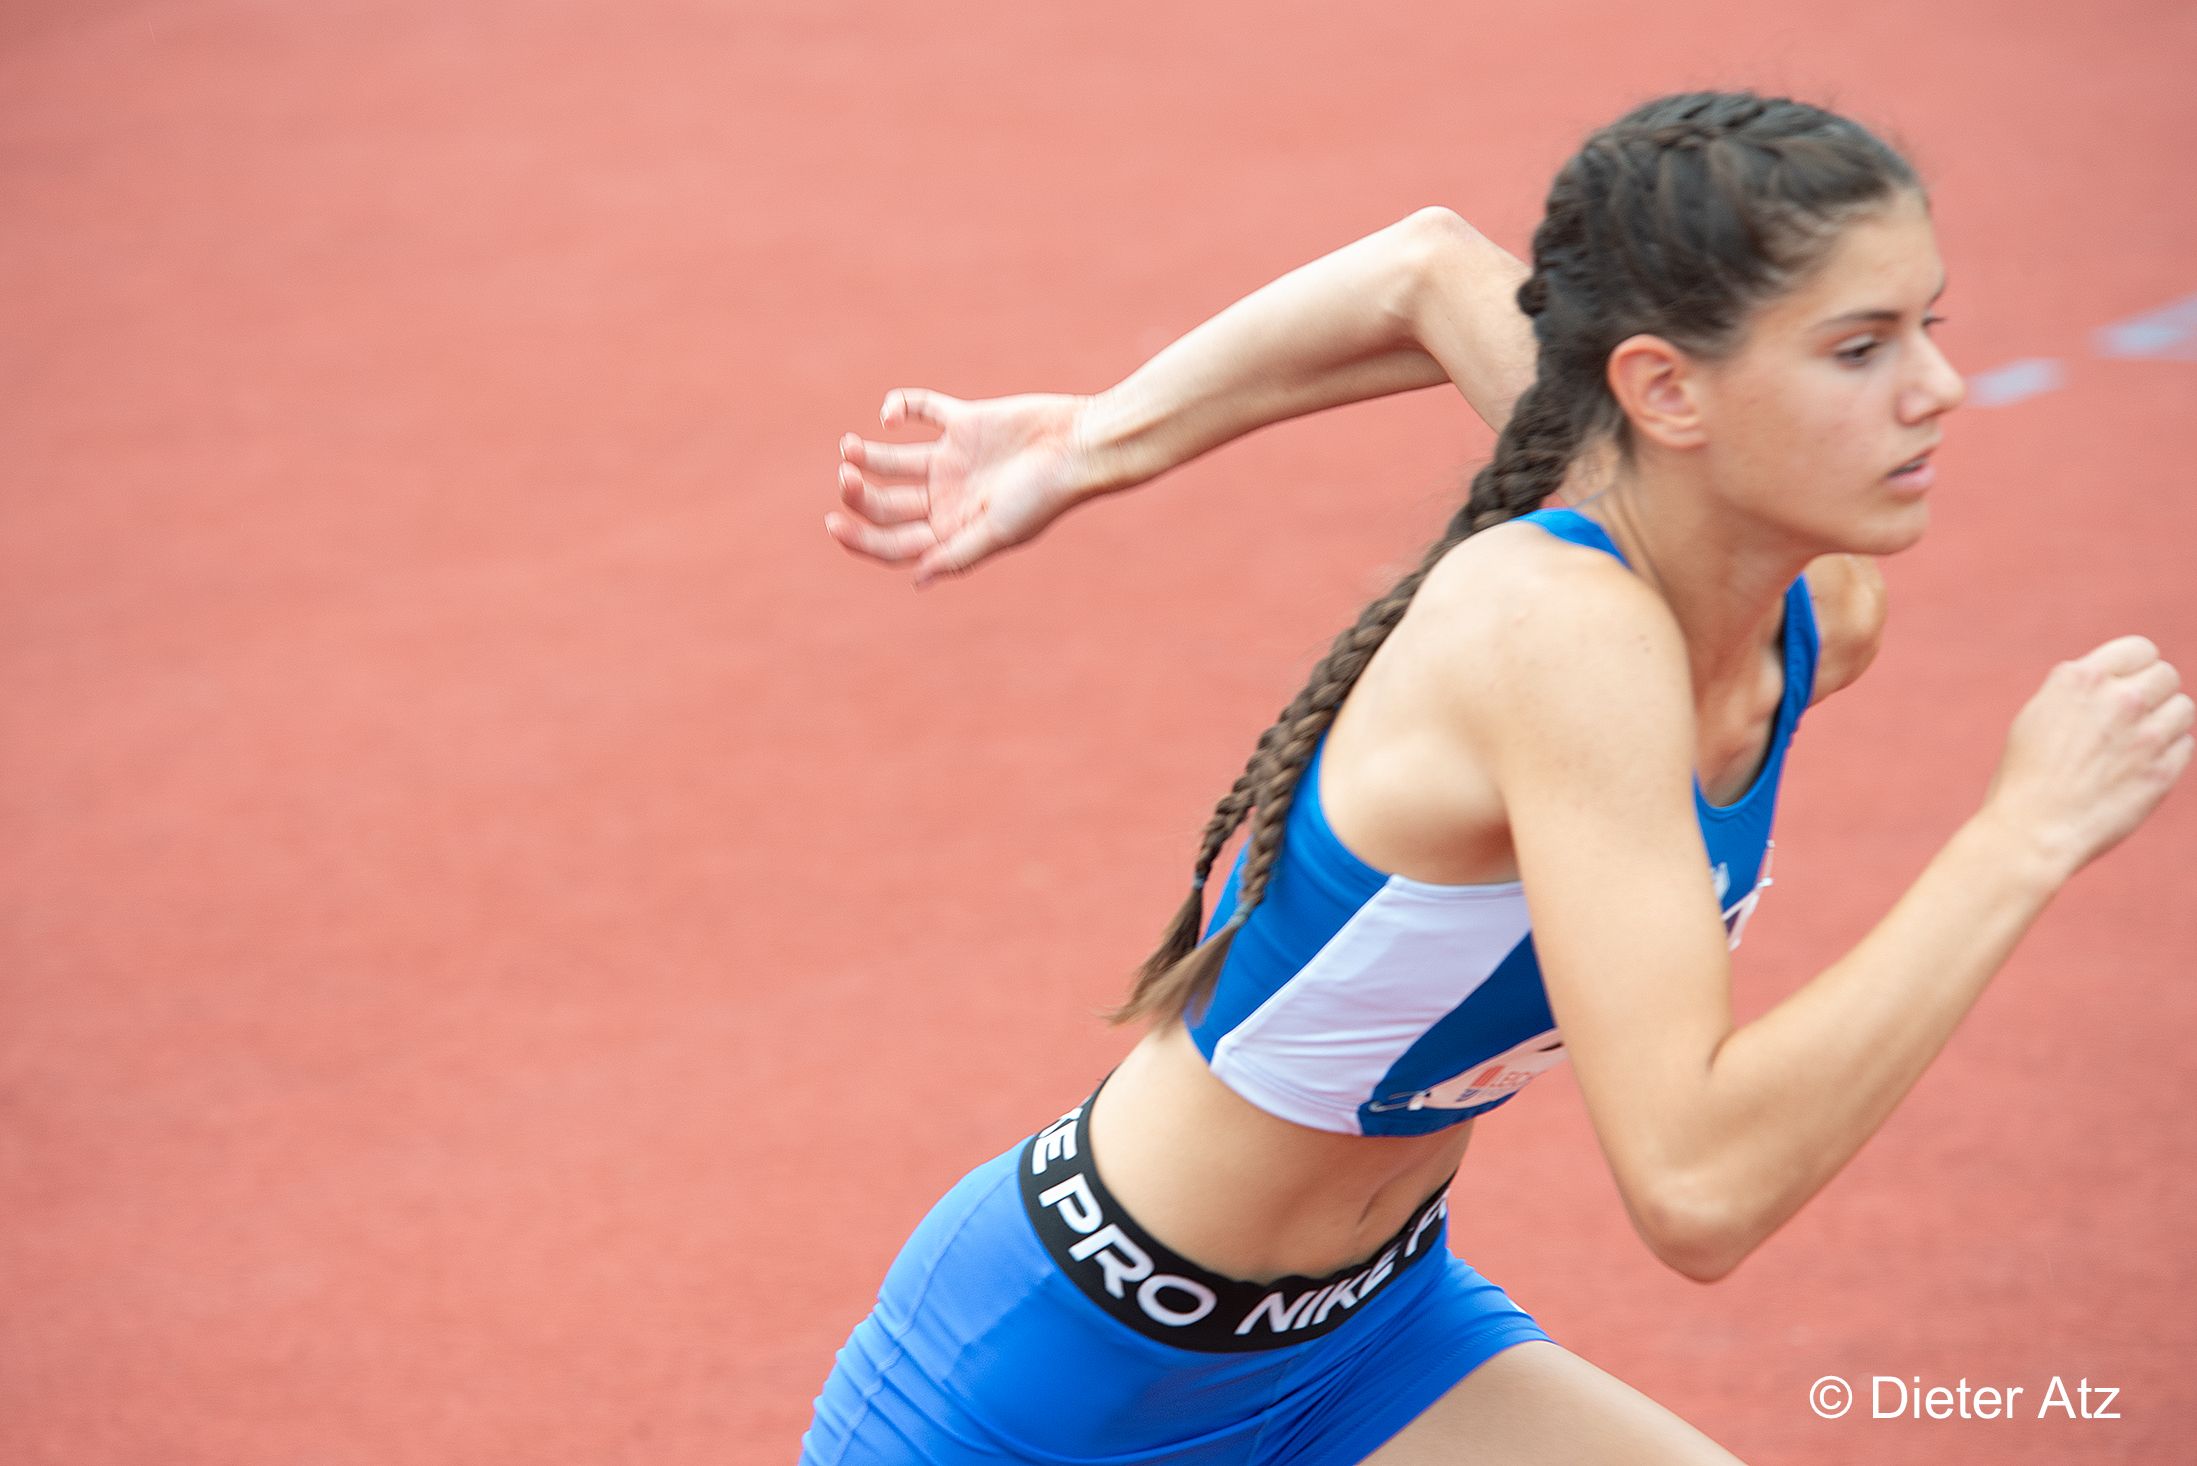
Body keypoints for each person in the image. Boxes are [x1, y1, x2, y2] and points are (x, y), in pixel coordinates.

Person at [804, 90, 2191, 1464]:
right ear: (1662, 387)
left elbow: (1422, 270)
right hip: (1052, 1384)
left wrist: (1090, 442)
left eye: (1925, 326)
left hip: (1369, 1342)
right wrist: (2020, 835)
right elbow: (1696, 1184)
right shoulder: (1554, 633)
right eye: (1855, 346)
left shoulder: (1812, 614)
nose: (1934, 385)